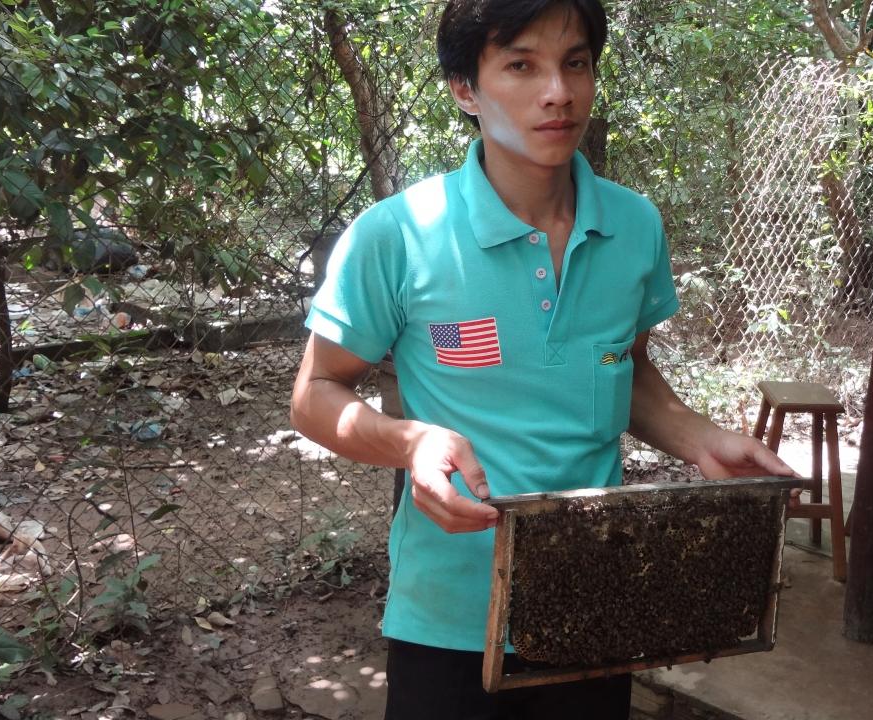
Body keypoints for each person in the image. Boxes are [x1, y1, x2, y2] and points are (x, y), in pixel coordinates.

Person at [289, 1, 795, 716]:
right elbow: (315, 393)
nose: (557, 92)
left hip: (593, 599)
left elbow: (621, 369)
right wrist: (411, 442)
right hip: (450, 615)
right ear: (465, 88)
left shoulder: (634, 227)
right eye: (521, 65)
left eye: (575, 63)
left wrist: (700, 438)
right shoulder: (398, 235)